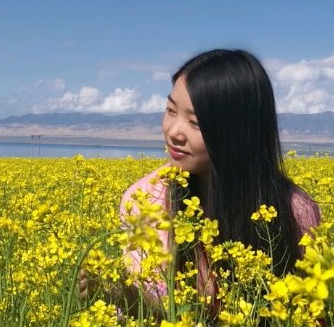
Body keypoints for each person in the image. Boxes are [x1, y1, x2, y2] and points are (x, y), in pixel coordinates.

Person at [90, 49, 321, 313]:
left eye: (195, 123)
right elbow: (150, 316)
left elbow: (307, 320)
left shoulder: (295, 212)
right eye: (170, 110)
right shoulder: (145, 199)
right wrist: (118, 293)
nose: (174, 132)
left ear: (238, 133)